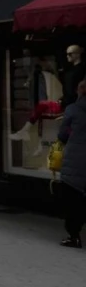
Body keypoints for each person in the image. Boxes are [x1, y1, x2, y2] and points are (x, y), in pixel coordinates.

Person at [58, 80, 86, 248]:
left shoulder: (73, 110)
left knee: (72, 200)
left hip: (75, 161)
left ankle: (74, 236)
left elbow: (62, 134)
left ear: (80, 92)